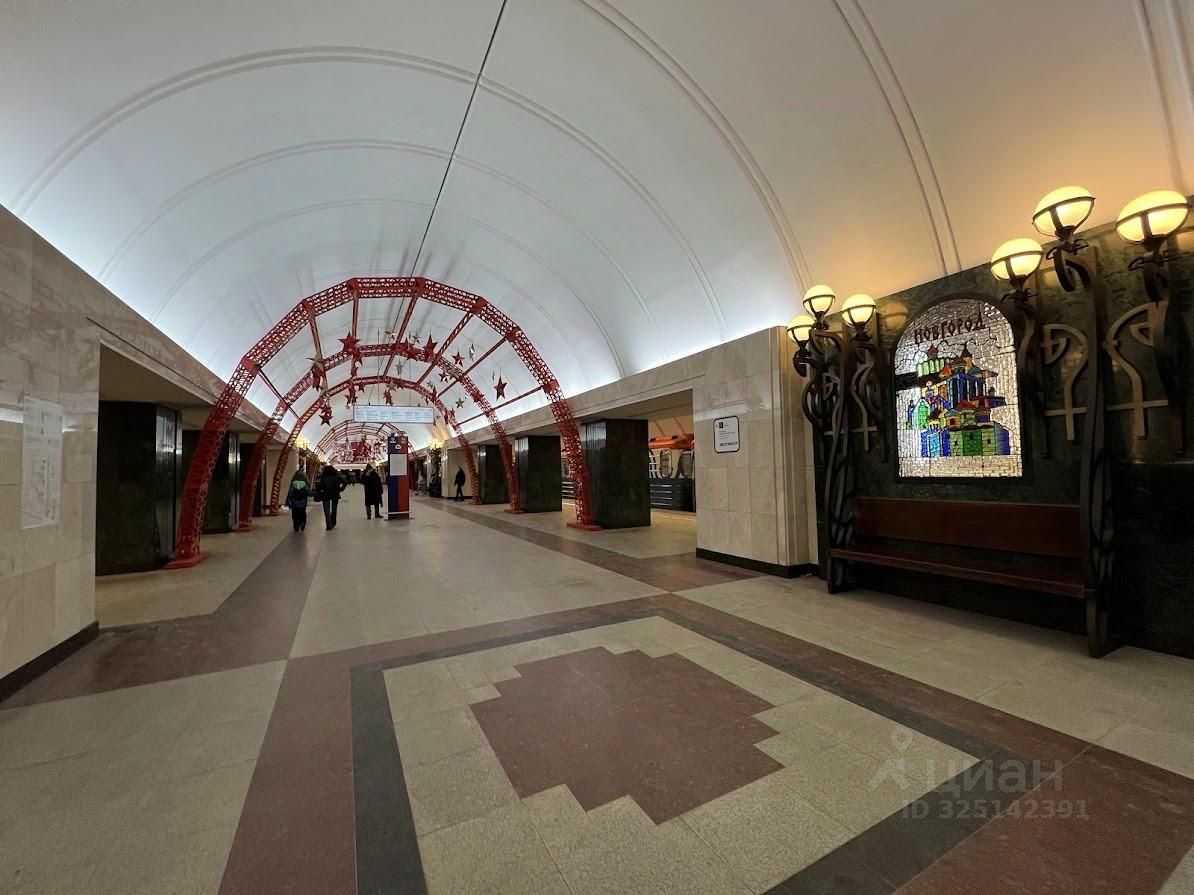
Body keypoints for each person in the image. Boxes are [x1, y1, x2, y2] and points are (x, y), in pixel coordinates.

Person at [319, 463, 347, 529]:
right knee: (334, 509)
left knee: (326, 510)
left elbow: (321, 485)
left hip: (325, 494)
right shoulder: (337, 475)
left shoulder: (323, 476)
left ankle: (328, 525)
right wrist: (341, 489)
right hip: (335, 494)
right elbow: (345, 482)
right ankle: (333, 523)